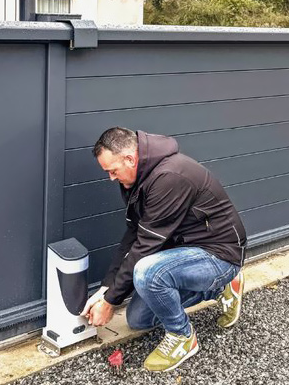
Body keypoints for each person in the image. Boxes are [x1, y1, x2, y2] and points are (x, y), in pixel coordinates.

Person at [81, 127, 247, 372]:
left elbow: (145, 247)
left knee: (147, 272)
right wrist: (106, 289)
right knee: (139, 319)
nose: (111, 178)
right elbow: (132, 236)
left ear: (130, 159)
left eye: (113, 171)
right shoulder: (137, 178)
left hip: (219, 255)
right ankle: (220, 289)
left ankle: (182, 338)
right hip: (184, 253)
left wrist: (110, 302)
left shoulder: (169, 177)